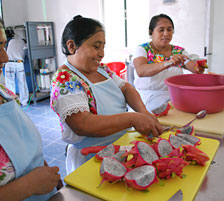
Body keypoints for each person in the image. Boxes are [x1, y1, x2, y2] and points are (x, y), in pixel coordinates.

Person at [0, 2, 62, 200]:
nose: (5, 58)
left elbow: (24, 145)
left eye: (4, 46)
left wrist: (46, 172)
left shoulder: (1, 91)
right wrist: (29, 185)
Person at [50, 15, 163, 174]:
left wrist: (143, 112)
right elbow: (83, 124)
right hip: (90, 158)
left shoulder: (102, 69)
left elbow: (126, 88)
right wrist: (132, 118)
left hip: (118, 148)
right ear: (72, 46)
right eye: (96, 46)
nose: (102, 53)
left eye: (103, 46)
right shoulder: (65, 79)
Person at [132, 14, 205, 112]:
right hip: (147, 97)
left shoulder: (178, 51)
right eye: (161, 30)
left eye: (169, 30)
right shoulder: (143, 49)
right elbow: (141, 71)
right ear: (151, 32)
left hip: (174, 96)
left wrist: (198, 67)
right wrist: (168, 62)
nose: (166, 34)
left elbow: (193, 67)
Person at [4, 28, 29, 106]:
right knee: (22, 83)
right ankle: (24, 102)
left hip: (9, 63)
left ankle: (12, 102)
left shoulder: (11, 41)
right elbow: (25, 55)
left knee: (9, 83)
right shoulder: (23, 44)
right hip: (19, 64)